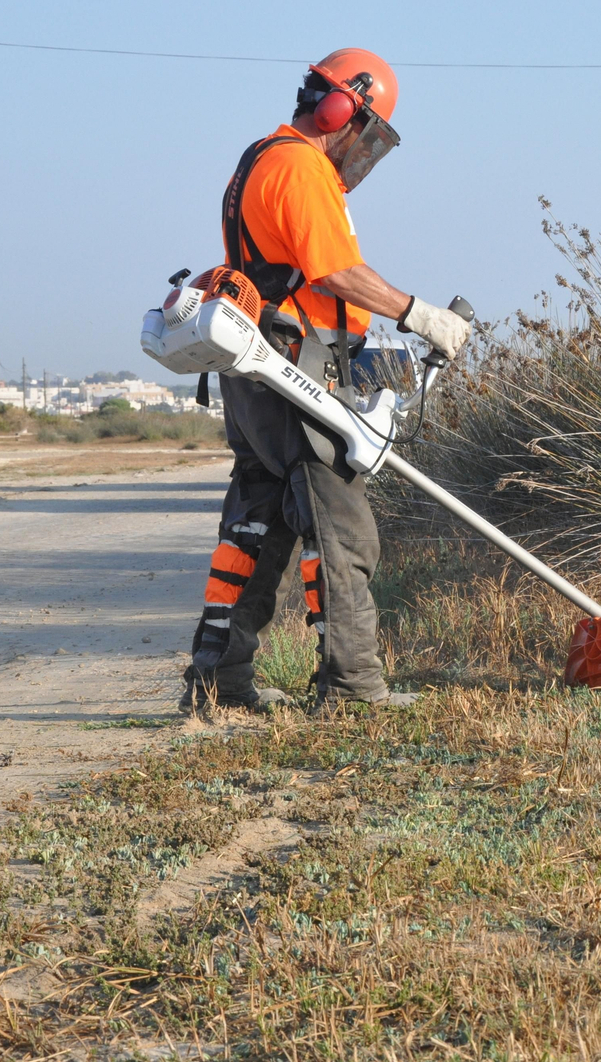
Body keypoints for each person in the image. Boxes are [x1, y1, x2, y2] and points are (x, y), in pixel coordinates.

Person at [182, 48, 470, 710]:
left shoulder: (261, 157)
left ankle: (218, 679)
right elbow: (333, 272)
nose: (363, 148)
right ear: (342, 108)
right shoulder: (299, 167)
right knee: (339, 528)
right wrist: (419, 314)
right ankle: (351, 686)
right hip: (292, 369)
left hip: (259, 371)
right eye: (365, 129)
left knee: (256, 530)